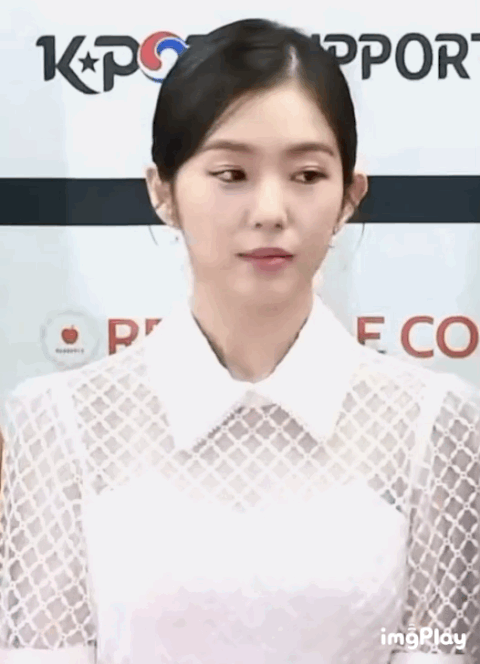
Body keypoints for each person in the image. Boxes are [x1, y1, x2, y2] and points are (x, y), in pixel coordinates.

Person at [1, 17, 479, 664]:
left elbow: (437, 648)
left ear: (350, 196)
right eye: (231, 174)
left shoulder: (434, 424)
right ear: (162, 192)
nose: (270, 211)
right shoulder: (61, 423)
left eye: (307, 175)